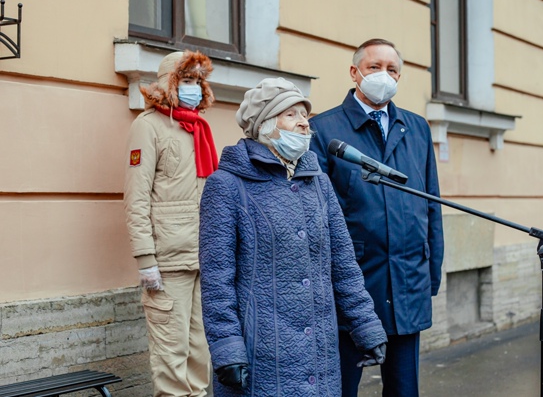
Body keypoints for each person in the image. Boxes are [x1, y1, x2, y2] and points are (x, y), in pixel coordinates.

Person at [199, 77, 388, 397]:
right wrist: (227, 349)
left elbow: (343, 263)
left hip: (320, 353)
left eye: (305, 115)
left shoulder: (319, 183)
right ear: (264, 124)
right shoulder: (227, 185)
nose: (304, 123)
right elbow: (217, 280)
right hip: (261, 353)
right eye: (292, 114)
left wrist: (366, 325)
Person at [309, 38, 445, 397]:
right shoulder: (323, 130)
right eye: (374, 67)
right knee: (340, 388)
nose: (384, 75)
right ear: (355, 72)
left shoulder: (416, 128)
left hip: (406, 280)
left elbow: (431, 204)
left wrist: (431, 272)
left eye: (392, 69)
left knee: (404, 388)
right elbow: (316, 216)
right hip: (354, 284)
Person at [123, 50, 218, 397]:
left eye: (198, 81)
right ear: (170, 83)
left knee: (199, 352)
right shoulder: (147, 126)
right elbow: (136, 197)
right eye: (186, 80)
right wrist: (145, 259)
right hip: (167, 261)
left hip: (201, 255)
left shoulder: (198, 127)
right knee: (170, 355)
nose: (193, 87)